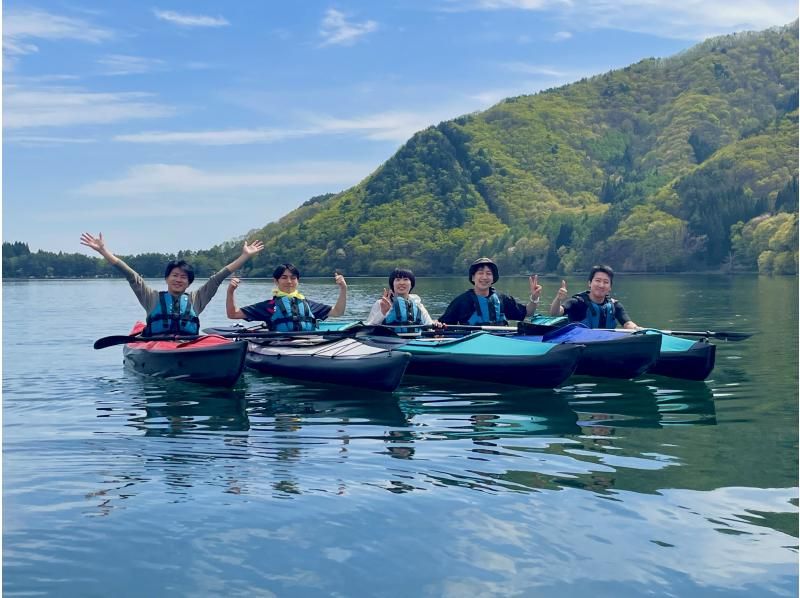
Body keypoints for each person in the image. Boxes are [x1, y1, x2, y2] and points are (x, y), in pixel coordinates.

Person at [80, 232, 264, 336]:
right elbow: (130, 274)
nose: (178, 279)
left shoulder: (197, 298)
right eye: (174, 275)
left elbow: (218, 277)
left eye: (183, 277)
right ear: (167, 278)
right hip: (156, 345)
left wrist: (245, 256)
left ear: (189, 282)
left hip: (187, 345)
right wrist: (104, 251)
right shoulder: (151, 297)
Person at [226, 264, 347, 331]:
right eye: (284, 277)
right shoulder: (269, 306)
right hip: (281, 345)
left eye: (293, 278)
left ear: (298, 281)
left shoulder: (307, 304)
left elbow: (338, 312)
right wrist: (230, 291)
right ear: (276, 281)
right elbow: (233, 314)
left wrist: (343, 289)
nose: (289, 281)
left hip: (309, 344)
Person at [437, 257, 542, 325]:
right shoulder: (461, 301)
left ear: (493, 278)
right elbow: (443, 324)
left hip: (499, 343)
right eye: (480, 273)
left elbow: (528, 312)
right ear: (473, 277)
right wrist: (438, 325)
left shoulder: (503, 299)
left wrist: (534, 297)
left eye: (488, 273)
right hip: (472, 347)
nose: (484, 277)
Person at [549, 265, 639, 329]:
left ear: (610, 287)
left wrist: (637, 329)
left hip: (604, 345)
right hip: (579, 346)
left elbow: (627, 323)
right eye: (598, 281)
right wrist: (558, 299)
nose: (601, 285)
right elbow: (555, 313)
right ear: (589, 283)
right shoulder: (576, 302)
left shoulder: (615, 305)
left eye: (606, 282)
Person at [365, 268, 436, 332]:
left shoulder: (418, 304)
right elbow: (369, 328)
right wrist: (382, 313)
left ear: (411, 284)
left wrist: (437, 327)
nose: (401, 283)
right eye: (397, 280)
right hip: (388, 342)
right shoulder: (381, 303)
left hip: (414, 342)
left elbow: (429, 326)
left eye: (405, 279)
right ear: (392, 284)